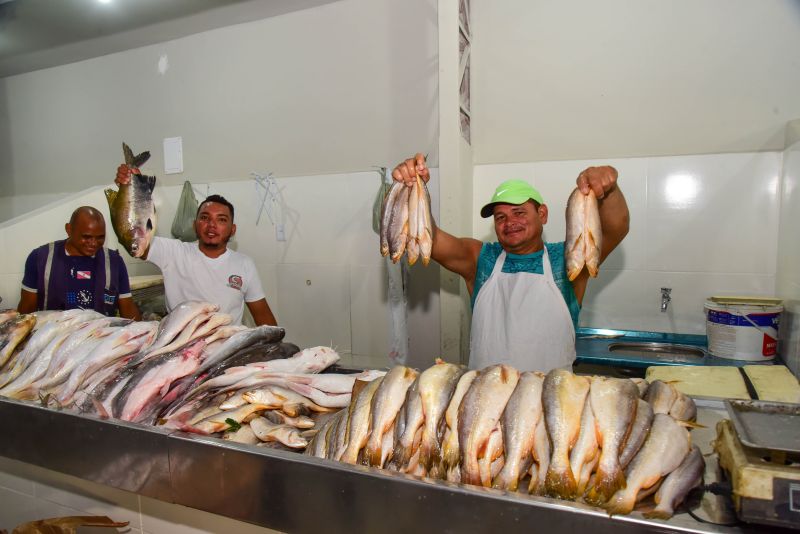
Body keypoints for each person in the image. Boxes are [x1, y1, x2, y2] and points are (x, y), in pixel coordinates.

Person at [392, 153, 629, 372]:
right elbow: (430, 239)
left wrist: (607, 189)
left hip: (549, 406)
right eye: (500, 217)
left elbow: (615, 228)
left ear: (542, 214)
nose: (509, 223)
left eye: (519, 213)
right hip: (484, 404)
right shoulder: (480, 259)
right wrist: (414, 188)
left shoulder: (568, 260)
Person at [114, 165, 278, 327]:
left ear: (232, 229)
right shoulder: (174, 252)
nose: (211, 225)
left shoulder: (244, 264)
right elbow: (132, 240)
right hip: (182, 345)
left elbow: (262, 315)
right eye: (205, 218)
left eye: (221, 219)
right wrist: (130, 186)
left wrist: (278, 348)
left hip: (226, 346)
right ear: (195, 225)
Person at [18, 206, 141, 320]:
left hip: (98, 338)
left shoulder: (114, 261)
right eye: (86, 237)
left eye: (100, 237)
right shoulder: (40, 258)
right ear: (69, 229)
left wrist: (143, 333)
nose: (93, 243)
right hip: (54, 338)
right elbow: (26, 312)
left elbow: (128, 308)